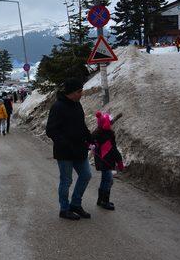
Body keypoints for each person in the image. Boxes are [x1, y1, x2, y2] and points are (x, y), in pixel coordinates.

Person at [45, 78, 93, 221]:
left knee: (86, 175)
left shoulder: (77, 104)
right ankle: (64, 209)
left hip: (79, 150)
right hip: (65, 152)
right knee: (66, 181)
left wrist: (89, 137)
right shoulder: (58, 107)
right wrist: (65, 143)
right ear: (71, 92)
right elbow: (51, 130)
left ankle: (76, 204)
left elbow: (81, 125)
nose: (81, 94)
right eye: (79, 91)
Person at [91, 112, 124, 211]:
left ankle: (100, 200)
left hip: (101, 159)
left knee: (105, 180)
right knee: (108, 181)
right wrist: (119, 161)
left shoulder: (98, 133)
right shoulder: (107, 135)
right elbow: (113, 150)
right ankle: (104, 201)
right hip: (106, 160)